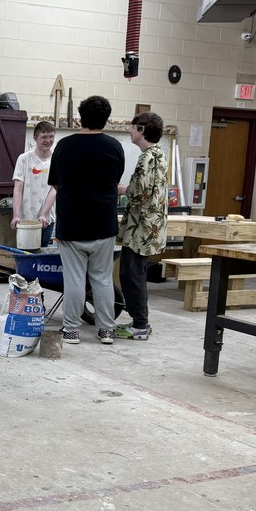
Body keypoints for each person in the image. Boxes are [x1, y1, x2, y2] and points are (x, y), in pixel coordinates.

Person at [37, 95, 124, 346]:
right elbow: (115, 181)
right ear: (106, 120)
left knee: (74, 279)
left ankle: (72, 331)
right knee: (102, 278)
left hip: (72, 225)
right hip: (103, 225)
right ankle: (107, 331)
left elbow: (55, 184)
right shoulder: (114, 146)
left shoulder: (64, 146)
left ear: (79, 117)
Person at [117, 112, 168, 340]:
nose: (130, 131)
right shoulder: (158, 154)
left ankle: (140, 325)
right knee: (135, 273)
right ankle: (139, 321)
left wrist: (122, 189)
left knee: (131, 275)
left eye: (133, 127)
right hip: (148, 226)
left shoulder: (147, 157)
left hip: (141, 228)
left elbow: (140, 193)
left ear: (142, 130)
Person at [11, 120, 56, 247]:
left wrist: (44, 214)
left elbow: (54, 189)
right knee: (25, 251)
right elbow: (18, 188)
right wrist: (16, 215)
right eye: (44, 137)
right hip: (25, 218)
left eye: (51, 136)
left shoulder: (56, 159)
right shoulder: (24, 159)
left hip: (47, 218)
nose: (48, 140)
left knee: (43, 252)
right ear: (35, 138)